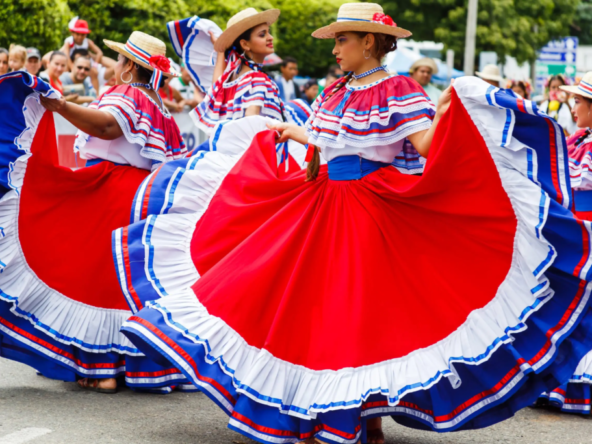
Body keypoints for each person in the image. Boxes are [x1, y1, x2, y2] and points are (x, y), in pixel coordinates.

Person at [119, 3, 592, 444]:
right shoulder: (335, 90)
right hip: (324, 203)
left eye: (341, 39)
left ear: (368, 41)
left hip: (370, 211)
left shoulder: (399, 88)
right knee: (311, 313)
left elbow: (425, 146)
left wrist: (452, 106)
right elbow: (333, 143)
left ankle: (359, 416)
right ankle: (323, 412)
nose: (333, 48)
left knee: (359, 319)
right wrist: (295, 134)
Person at [0, 31, 189, 394]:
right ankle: (113, 367)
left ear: (130, 66)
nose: (116, 66)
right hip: (138, 198)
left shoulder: (131, 94)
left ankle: (100, 368)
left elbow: (106, 125)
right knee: (118, 285)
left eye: (120, 60)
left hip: (111, 191)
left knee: (87, 276)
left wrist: (61, 106)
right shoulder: (161, 109)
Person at [535, 72, 592, 414]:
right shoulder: (575, 141)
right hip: (574, 228)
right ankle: (562, 382)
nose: (573, 107)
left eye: (579, 102)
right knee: (570, 301)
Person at [192, 8, 284, 134]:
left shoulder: (230, 78)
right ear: (245, 45)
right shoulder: (256, 78)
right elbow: (251, 126)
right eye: (263, 34)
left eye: (268, 32)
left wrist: (221, 51)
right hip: (251, 150)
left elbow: (215, 87)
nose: (271, 38)